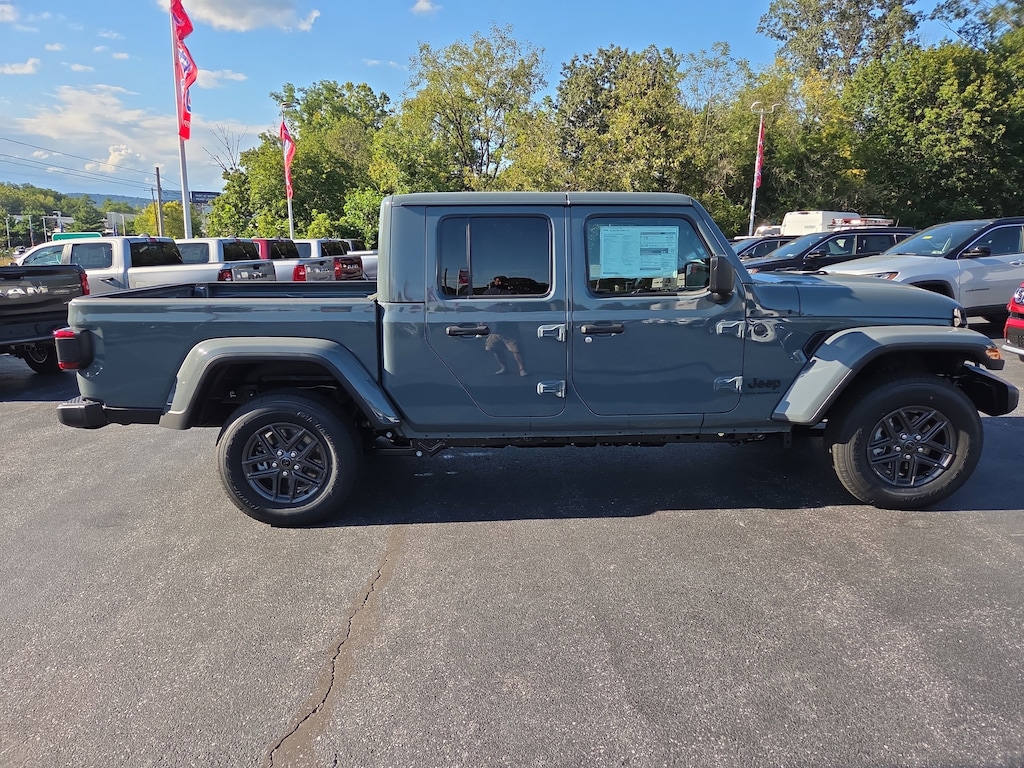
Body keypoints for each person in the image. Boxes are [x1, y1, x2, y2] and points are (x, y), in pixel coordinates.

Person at [482, 276, 527, 376]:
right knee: (494, 348)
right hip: (495, 330)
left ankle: (522, 369)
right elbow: (484, 310)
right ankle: (504, 368)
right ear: (494, 281)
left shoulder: (511, 293)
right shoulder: (488, 293)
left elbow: (519, 308)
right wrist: (483, 324)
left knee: (516, 350)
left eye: (501, 280)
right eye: (497, 280)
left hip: (509, 330)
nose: (499, 282)